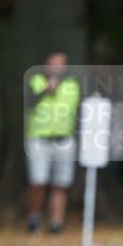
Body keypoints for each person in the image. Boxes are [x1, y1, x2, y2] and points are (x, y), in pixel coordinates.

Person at [25, 52, 81, 233]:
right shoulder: (35, 82)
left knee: (61, 183)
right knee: (38, 181)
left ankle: (56, 223)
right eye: (52, 64)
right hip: (39, 140)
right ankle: (34, 218)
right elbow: (27, 102)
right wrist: (46, 90)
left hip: (64, 140)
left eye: (60, 65)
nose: (55, 68)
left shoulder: (73, 85)